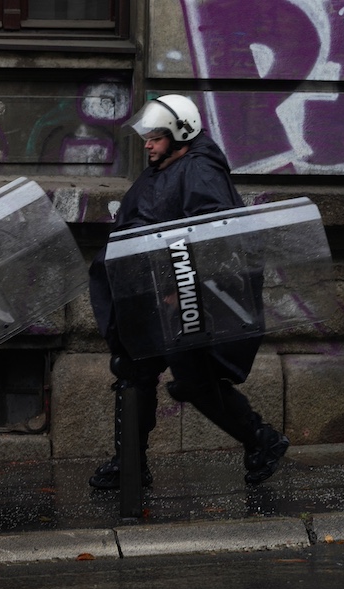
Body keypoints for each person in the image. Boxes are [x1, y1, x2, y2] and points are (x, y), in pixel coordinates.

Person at [87, 94, 289, 490]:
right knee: (133, 370)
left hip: (183, 301)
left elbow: (215, 237)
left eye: (156, 137)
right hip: (148, 296)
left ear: (181, 134)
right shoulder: (163, 167)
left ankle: (261, 439)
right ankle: (130, 463)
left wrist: (183, 289)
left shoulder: (200, 171)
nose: (147, 144)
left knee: (194, 379)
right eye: (147, 136)